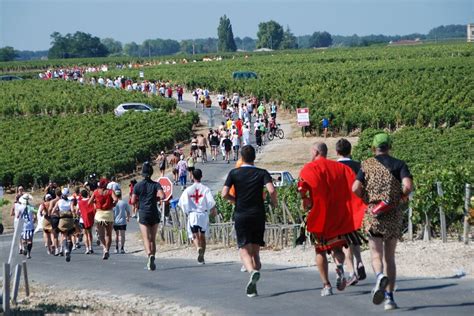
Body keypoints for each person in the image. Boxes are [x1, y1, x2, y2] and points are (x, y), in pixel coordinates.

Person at [352, 133, 413, 311]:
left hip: (374, 214)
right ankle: (390, 299)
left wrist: (365, 198)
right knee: (390, 257)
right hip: (392, 214)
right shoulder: (399, 164)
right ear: (389, 147)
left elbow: (355, 187)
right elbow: (408, 186)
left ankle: (379, 276)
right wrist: (398, 198)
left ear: (373, 148)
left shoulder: (366, 165)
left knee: (375, 254)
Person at [298, 142, 366, 297]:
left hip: (320, 217)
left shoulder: (309, 168)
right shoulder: (341, 168)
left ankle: (326, 285)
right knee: (338, 247)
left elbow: (302, 189)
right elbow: (353, 189)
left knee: (320, 251)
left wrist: (305, 200)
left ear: (315, 152)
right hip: (338, 217)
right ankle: (340, 265)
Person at [222, 145, 277, 297]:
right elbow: (272, 190)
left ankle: (252, 271)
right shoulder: (262, 173)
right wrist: (274, 203)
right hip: (258, 214)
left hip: (242, 214)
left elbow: (224, 194)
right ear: (254, 157)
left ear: (241, 157)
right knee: (255, 249)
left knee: (243, 248)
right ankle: (255, 275)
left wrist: (235, 200)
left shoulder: (234, 173)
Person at [335, 138, 367, 286]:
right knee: (353, 237)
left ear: (337, 151)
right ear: (350, 151)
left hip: (341, 207)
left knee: (345, 242)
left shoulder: (334, 167)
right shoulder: (359, 165)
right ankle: (360, 262)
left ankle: (351, 272)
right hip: (357, 206)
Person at [131, 162, 165, 271]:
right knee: (152, 239)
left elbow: (132, 200)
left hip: (143, 213)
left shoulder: (137, 186)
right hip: (154, 212)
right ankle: (153, 256)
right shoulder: (156, 185)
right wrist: (156, 198)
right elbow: (162, 195)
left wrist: (139, 200)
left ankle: (149, 255)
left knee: (145, 238)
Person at [178, 169, 217, 264]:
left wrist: (187, 210)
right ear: (201, 176)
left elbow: (182, 203)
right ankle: (202, 256)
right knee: (202, 235)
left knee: (194, 235)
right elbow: (211, 202)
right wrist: (212, 210)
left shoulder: (188, 190)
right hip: (203, 215)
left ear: (192, 176)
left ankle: (198, 248)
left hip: (193, 215)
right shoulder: (205, 189)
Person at [89, 178, 118, 260]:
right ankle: (107, 250)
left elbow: (89, 202)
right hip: (109, 214)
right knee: (108, 234)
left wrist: (95, 202)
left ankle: (104, 248)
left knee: (101, 234)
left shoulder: (96, 192)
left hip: (100, 215)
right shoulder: (110, 191)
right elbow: (116, 199)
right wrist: (112, 205)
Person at [52, 188, 76, 262]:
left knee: (63, 236)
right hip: (70, 220)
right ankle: (69, 250)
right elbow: (72, 210)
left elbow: (53, 211)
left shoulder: (59, 202)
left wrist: (58, 212)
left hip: (62, 220)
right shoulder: (70, 202)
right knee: (70, 236)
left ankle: (65, 249)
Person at [17, 194, 36, 259]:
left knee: (23, 239)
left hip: (23, 225)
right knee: (30, 240)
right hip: (30, 224)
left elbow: (17, 216)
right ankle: (28, 253)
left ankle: (24, 247)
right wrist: (34, 220)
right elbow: (35, 214)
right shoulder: (31, 207)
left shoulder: (20, 207)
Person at [77, 189, 96, 254]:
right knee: (90, 233)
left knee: (85, 234)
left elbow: (77, 211)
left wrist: (78, 215)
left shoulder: (79, 202)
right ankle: (91, 247)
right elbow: (94, 208)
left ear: (81, 195)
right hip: (90, 219)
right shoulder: (90, 200)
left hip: (83, 219)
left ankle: (87, 248)